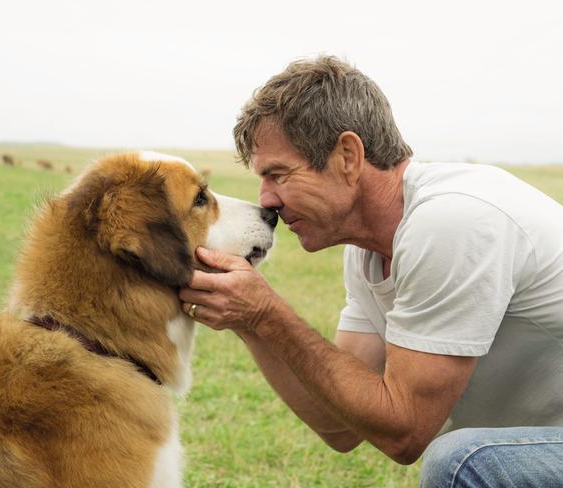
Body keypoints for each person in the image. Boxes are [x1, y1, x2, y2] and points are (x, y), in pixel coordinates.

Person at [179, 56, 563, 486]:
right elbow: (340, 425)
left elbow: (404, 432)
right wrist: (249, 321)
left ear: (347, 156)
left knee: (465, 462)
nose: (266, 199)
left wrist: (266, 313)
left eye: (279, 175)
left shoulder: (453, 221)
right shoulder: (369, 249)